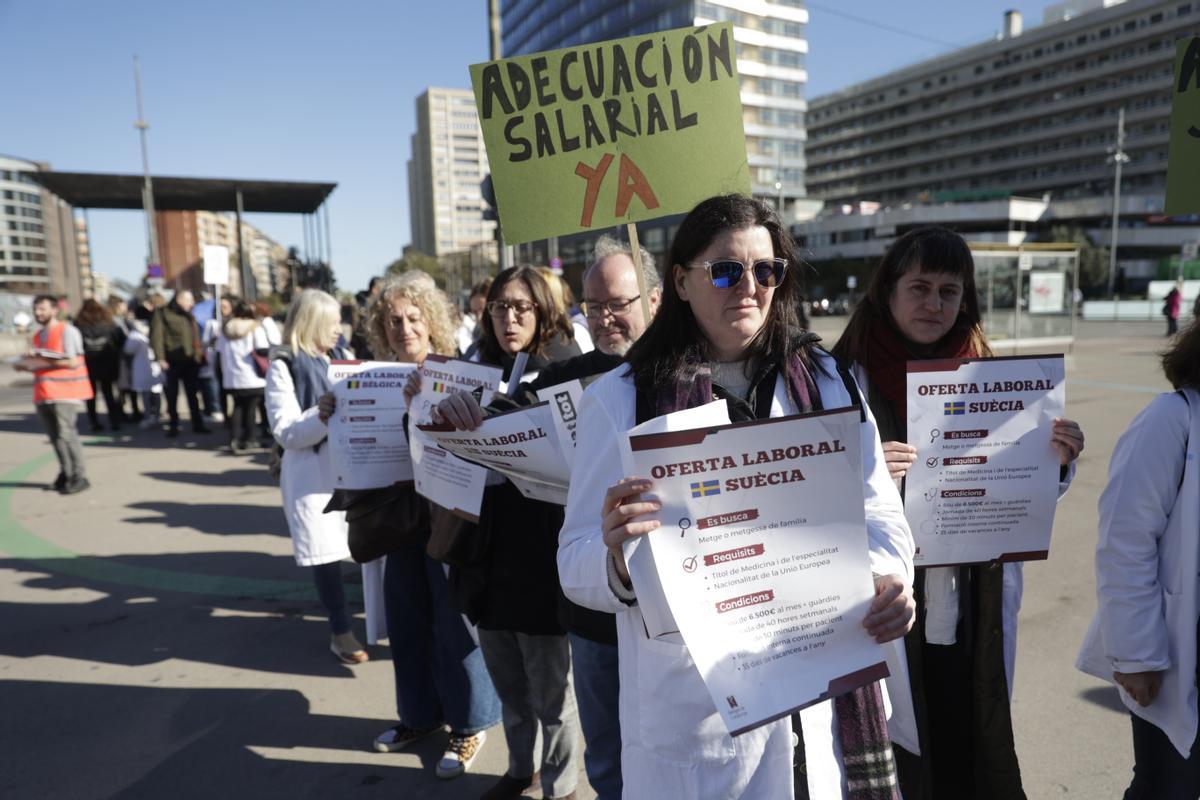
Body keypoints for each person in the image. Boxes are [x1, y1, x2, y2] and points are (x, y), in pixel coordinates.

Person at [558, 195, 915, 799]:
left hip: (825, 686)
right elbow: (573, 558)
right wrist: (616, 559)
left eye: (766, 270)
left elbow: (880, 511)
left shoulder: (827, 383)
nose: (748, 287)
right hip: (702, 718)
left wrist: (886, 579)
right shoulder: (621, 400)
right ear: (680, 281)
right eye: (725, 270)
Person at [832, 226, 1085, 799]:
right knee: (900, 754)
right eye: (919, 287)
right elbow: (802, 494)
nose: (934, 304)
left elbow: (1012, 488)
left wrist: (1054, 462)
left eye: (950, 291)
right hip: (886, 610)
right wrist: (862, 478)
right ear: (887, 292)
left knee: (966, 740)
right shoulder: (840, 381)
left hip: (970, 605)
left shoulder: (989, 374)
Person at [436, 235, 662, 800]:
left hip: (676, 608)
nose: (606, 317)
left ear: (656, 300)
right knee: (606, 758)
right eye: (594, 305)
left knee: (674, 756)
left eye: (619, 303)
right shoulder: (560, 379)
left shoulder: (694, 374)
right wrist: (455, 410)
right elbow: (498, 420)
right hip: (593, 613)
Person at [333, 273, 503, 779]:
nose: (405, 328)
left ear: (432, 321)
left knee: (454, 625)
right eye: (394, 321)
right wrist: (331, 412)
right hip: (396, 516)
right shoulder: (366, 377)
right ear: (382, 329)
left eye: (413, 318)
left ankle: (471, 723)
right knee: (405, 619)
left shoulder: (457, 372)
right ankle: (419, 716)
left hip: (445, 514)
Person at [432, 265, 584, 800]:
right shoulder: (472, 367)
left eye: (522, 306)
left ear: (545, 309)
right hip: (485, 553)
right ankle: (522, 770)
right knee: (508, 682)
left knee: (552, 693)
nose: (509, 317)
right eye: (499, 306)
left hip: (541, 552)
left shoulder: (567, 367)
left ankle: (561, 787)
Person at [1077, 318, 1200, 799]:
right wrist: (1135, 655)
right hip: (1177, 654)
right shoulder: (1174, 418)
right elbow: (1125, 543)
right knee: (1166, 787)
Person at [266, 289, 367, 664]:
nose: (339, 330)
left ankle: (378, 623)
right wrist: (321, 416)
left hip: (354, 468)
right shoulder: (284, 364)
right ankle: (341, 630)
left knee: (367, 548)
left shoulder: (345, 358)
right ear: (310, 324)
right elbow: (286, 430)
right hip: (313, 475)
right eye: (330, 324)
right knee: (325, 556)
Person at [15, 295, 93, 494]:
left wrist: (43, 360)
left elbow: (72, 362)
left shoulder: (67, 331)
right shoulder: (38, 335)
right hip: (43, 393)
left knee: (67, 435)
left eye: (42, 309)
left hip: (64, 393)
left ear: (54, 310)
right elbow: (42, 364)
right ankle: (65, 473)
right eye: (36, 309)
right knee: (55, 437)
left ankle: (79, 475)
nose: (38, 313)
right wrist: (26, 365)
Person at [151, 290, 211, 438]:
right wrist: (160, 358)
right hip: (172, 360)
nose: (191, 303)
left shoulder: (189, 314)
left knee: (193, 394)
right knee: (172, 395)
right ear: (179, 299)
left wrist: (198, 355)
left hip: (191, 360)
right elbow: (156, 337)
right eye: (188, 300)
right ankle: (173, 424)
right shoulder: (162, 313)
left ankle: (197, 423)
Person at [217, 300, 270, 453]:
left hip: (232, 376)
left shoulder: (226, 328)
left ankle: (234, 438)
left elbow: (219, 350)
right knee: (251, 408)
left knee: (238, 406)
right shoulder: (255, 327)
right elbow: (262, 350)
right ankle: (250, 439)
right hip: (252, 375)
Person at [74, 298, 127, 432]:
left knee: (90, 395)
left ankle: (94, 422)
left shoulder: (78, 324)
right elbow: (121, 340)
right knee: (108, 393)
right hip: (107, 362)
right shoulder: (108, 322)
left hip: (88, 364)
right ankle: (114, 421)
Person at [125, 303, 164, 430]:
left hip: (141, 366)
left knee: (146, 395)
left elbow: (128, 349)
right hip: (155, 364)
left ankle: (148, 417)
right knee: (157, 393)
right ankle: (156, 416)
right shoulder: (155, 327)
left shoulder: (135, 332)